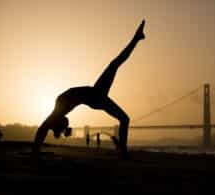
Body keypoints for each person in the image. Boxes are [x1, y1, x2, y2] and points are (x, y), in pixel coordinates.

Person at [32, 20, 146, 159]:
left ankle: (122, 151)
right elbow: (43, 129)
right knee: (115, 65)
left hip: (95, 95)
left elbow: (42, 129)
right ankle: (123, 151)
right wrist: (36, 150)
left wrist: (36, 149)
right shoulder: (58, 109)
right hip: (96, 96)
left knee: (124, 117)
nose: (67, 121)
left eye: (65, 123)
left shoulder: (58, 108)